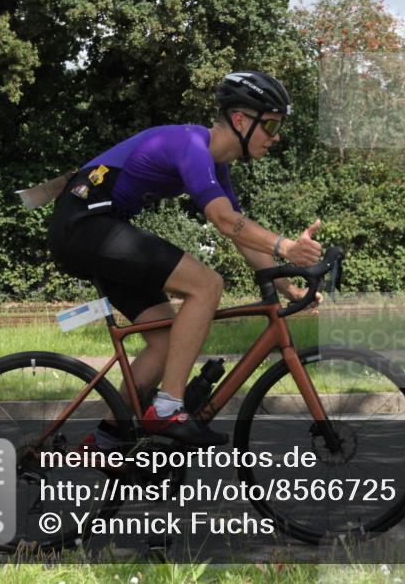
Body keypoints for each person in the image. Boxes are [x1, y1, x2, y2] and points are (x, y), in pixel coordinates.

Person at [47, 71, 323, 449]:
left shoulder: (216, 165)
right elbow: (225, 221)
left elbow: (241, 235)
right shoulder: (191, 144)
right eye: (271, 124)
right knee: (207, 284)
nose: (276, 137)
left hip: (96, 229)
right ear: (241, 120)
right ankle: (166, 408)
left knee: (164, 341)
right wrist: (286, 247)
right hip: (82, 225)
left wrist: (287, 285)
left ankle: (108, 437)